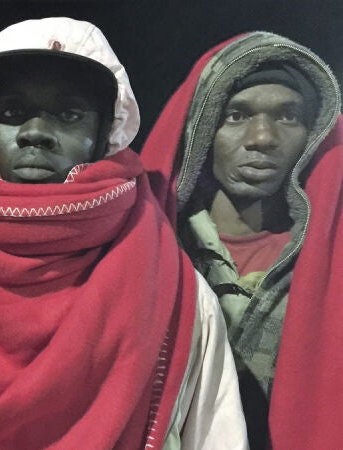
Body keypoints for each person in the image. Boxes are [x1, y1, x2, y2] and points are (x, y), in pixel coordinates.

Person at [0, 18, 246, 449]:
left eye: (69, 114)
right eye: (12, 112)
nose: (36, 132)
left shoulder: (168, 287)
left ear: (105, 131)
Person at [140, 32, 342, 448]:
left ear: (314, 133)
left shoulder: (330, 262)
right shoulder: (154, 253)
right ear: (201, 131)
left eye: (288, 117)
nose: (262, 138)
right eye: (236, 115)